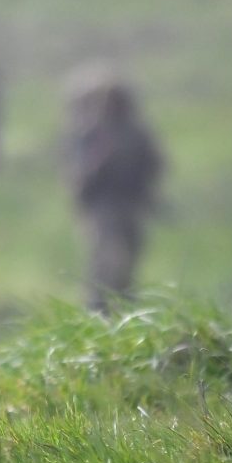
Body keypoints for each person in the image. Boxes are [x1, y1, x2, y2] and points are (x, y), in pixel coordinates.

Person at [61, 67, 164, 313]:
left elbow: (153, 163)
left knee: (128, 260)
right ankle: (98, 309)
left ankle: (125, 309)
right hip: (102, 206)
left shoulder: (136, 133)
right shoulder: (92, 133)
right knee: (106, 258)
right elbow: (79, 173)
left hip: (130, 204)